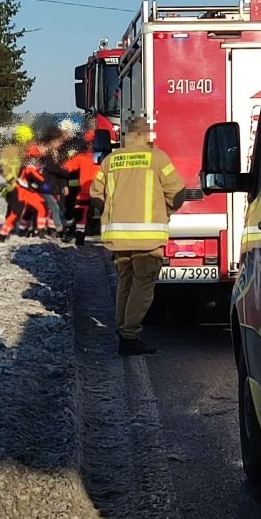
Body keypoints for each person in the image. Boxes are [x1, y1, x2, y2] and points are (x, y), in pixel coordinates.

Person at [90, 117, 185, 356]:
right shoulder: (157, 158)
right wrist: (167, 211)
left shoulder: (111, 160)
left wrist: (112, 213)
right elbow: (178, 192)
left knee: (126, 282)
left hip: (119, 236)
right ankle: (128, 335)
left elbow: (95, 195)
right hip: (148, 237)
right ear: (146, 135)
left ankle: (122, 329)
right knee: (143, 285)